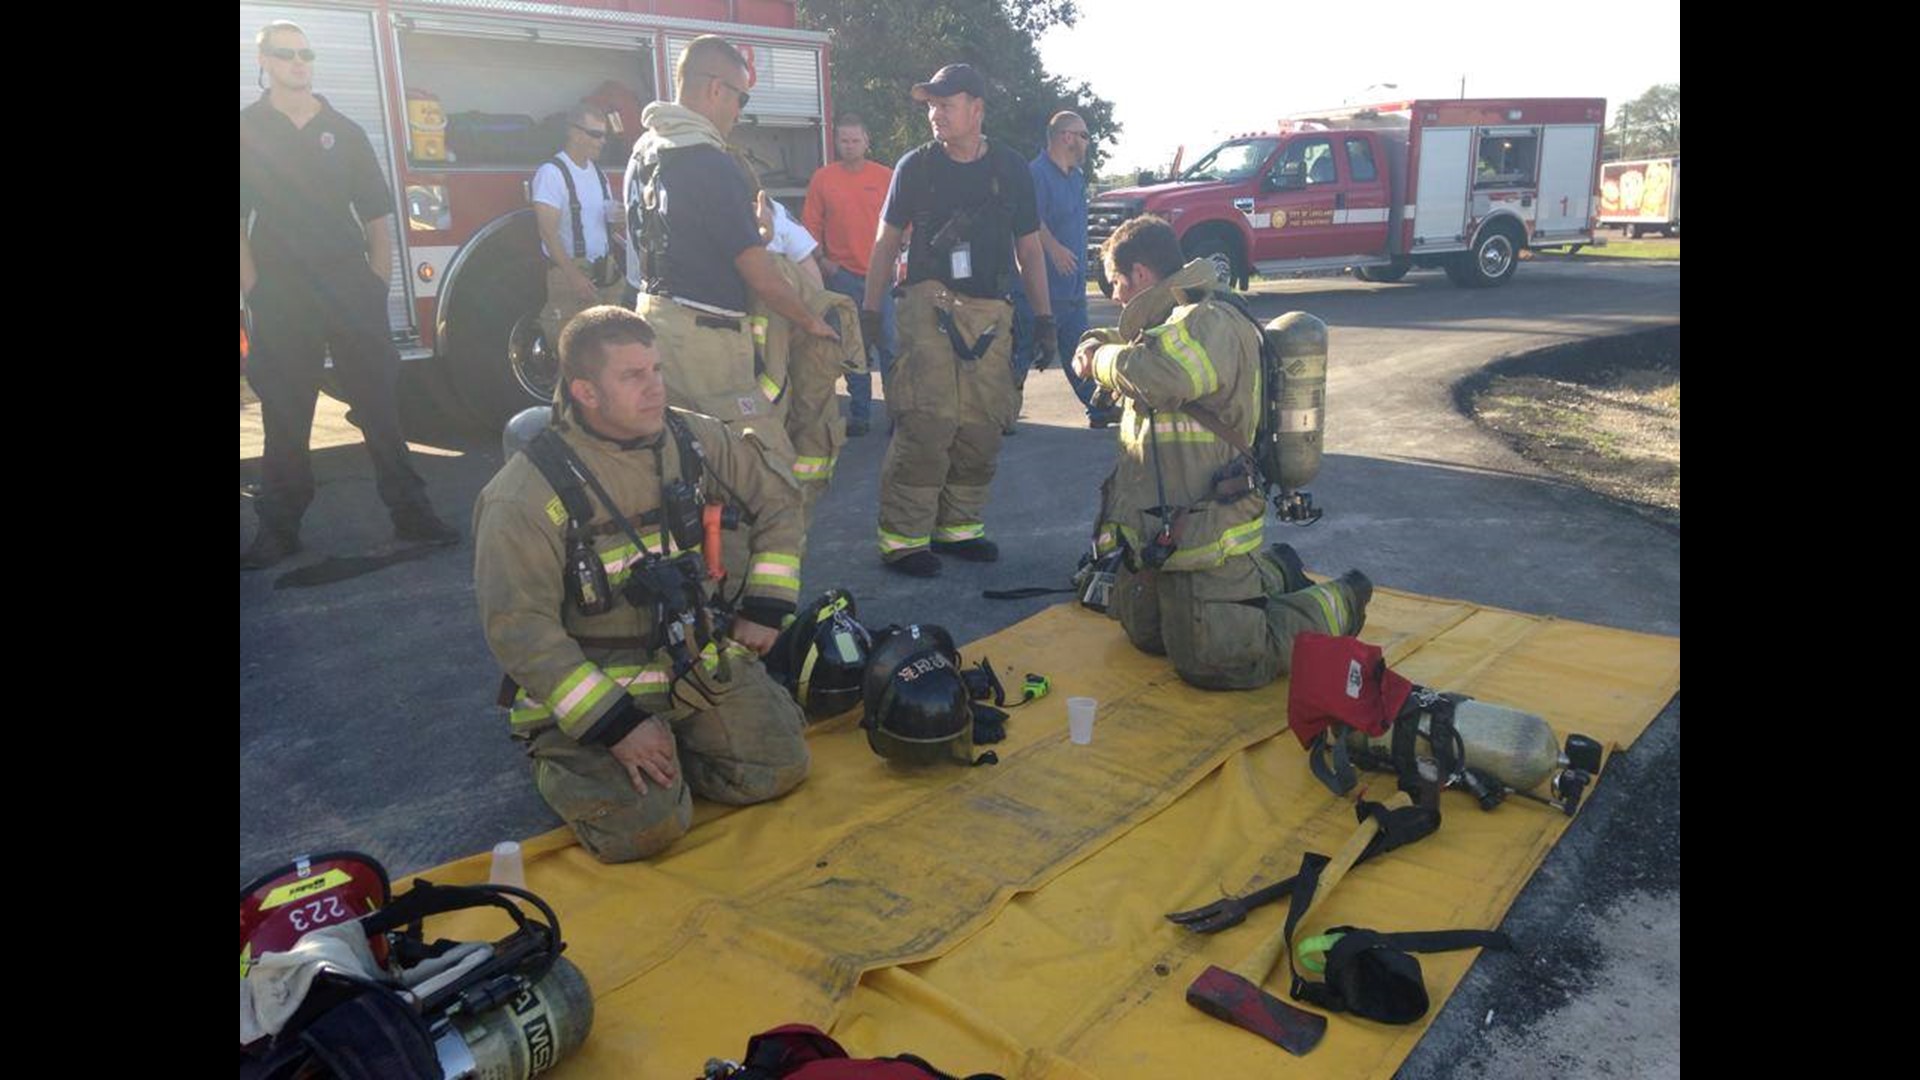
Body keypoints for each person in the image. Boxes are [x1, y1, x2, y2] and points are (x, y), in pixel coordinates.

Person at [472, 306, 810, 862]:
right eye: (632, 376)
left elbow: (779, 501)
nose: (655, 388)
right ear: (585, 391)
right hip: (596, 691)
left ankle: (681, 746)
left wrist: (767, 606)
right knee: (646, 831)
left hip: (690, 662)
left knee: (779, 766)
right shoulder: (524, 494)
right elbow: (519, 629)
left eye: (656, 369)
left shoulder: (693, 439)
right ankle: (560, 758)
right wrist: (617, 724)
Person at [1073, 216, 1370, 690]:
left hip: (1206, 530)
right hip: (1162, 532)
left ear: (1143, 274)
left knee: (1220, 664)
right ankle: (1275, 571)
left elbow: (1160, 374)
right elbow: (1138, 346)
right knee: (1146, 634)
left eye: (1115, 283)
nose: (1113, 297)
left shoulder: (1208, 321)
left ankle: (1342, 600)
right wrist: (1096, 342)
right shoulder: (1168, 324)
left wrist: (1099, 360)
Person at [240, 20, 458, 569]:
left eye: (306, 53)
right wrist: (254, 289)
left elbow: (378, 214)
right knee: (286, 418)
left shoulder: (344, 130)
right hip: (283, 295)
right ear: (262, 60)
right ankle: (280, 529)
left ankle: (413, 514)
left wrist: (375, 284)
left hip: (348, 286)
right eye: (286, 54)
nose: (299, 62)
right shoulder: (247, 131)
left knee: (381, 409)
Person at [861, 63, 1055, 578]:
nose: (934, 114)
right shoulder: (915, 167)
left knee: (981, 425)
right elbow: (885, 244)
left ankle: (959, 529)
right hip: (929, 304)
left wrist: (1045, 317)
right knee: (928, 420)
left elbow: (1030, 249)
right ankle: (903, 540)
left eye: (945, 104)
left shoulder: (1012, 169)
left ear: (977, 109)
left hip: (992, 311)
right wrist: (870, 309)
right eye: (930, 105)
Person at [624, 35, 835, 443]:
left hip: (654, 324)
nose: (741, 112)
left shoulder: (645, 150)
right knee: (757, 467)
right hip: (705, 341)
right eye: (742, 98)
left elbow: (678, 238)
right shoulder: (711, 162)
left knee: (681, 455)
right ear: (715, 89)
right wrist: (811, 320)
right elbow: (759, 274)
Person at [1010, 111, 1116, 431]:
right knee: (1021, 355)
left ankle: (1099, 410)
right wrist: (1053, 248)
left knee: (1083, 350)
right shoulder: (1036, 174)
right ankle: (998, 415)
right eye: (1083, 135)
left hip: (1072, 292)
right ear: (1065, 137)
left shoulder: (1077, 177)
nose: (1087, 142)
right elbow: (1027, 221)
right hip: (1039, 291)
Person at [803, 113, 895, 436]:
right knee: (854, 349)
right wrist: (823, 260)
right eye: (844, 140)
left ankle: (896, 415)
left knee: (890, 346)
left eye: (856, 140)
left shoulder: (886, 176)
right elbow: (809, 226)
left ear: (867, 142)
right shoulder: (823, 179)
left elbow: (905, 224)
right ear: (836, 142)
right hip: (842, 277)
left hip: (881, 278)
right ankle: (860, 416)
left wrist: (900, 259)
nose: (850, 146)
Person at [532, 103, 626, 354]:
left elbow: (607, 225)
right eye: (595, 134)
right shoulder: (551, 174)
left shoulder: (598, 173)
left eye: (604, 135)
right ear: (574, 133)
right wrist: (573, 275)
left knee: (608, 356)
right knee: (576, 357)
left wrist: (620, 218)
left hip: (605, 276)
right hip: (572, 276)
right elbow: (547, 233)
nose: (602, 141)